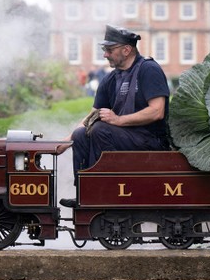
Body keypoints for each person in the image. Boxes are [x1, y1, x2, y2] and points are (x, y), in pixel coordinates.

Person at [60, 25, 171, 207]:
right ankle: (85, 192)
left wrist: (118, 120)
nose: (105, 55)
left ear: (126, 50)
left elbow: (157, 111)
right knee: (81, 135)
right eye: (105, 50)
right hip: (125, 137)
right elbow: (92, 115)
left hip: (150, 140)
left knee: (100, 130)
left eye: (109, 50)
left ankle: (107, 191)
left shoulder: (149, 69)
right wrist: (66, 141)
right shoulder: (111, 79)